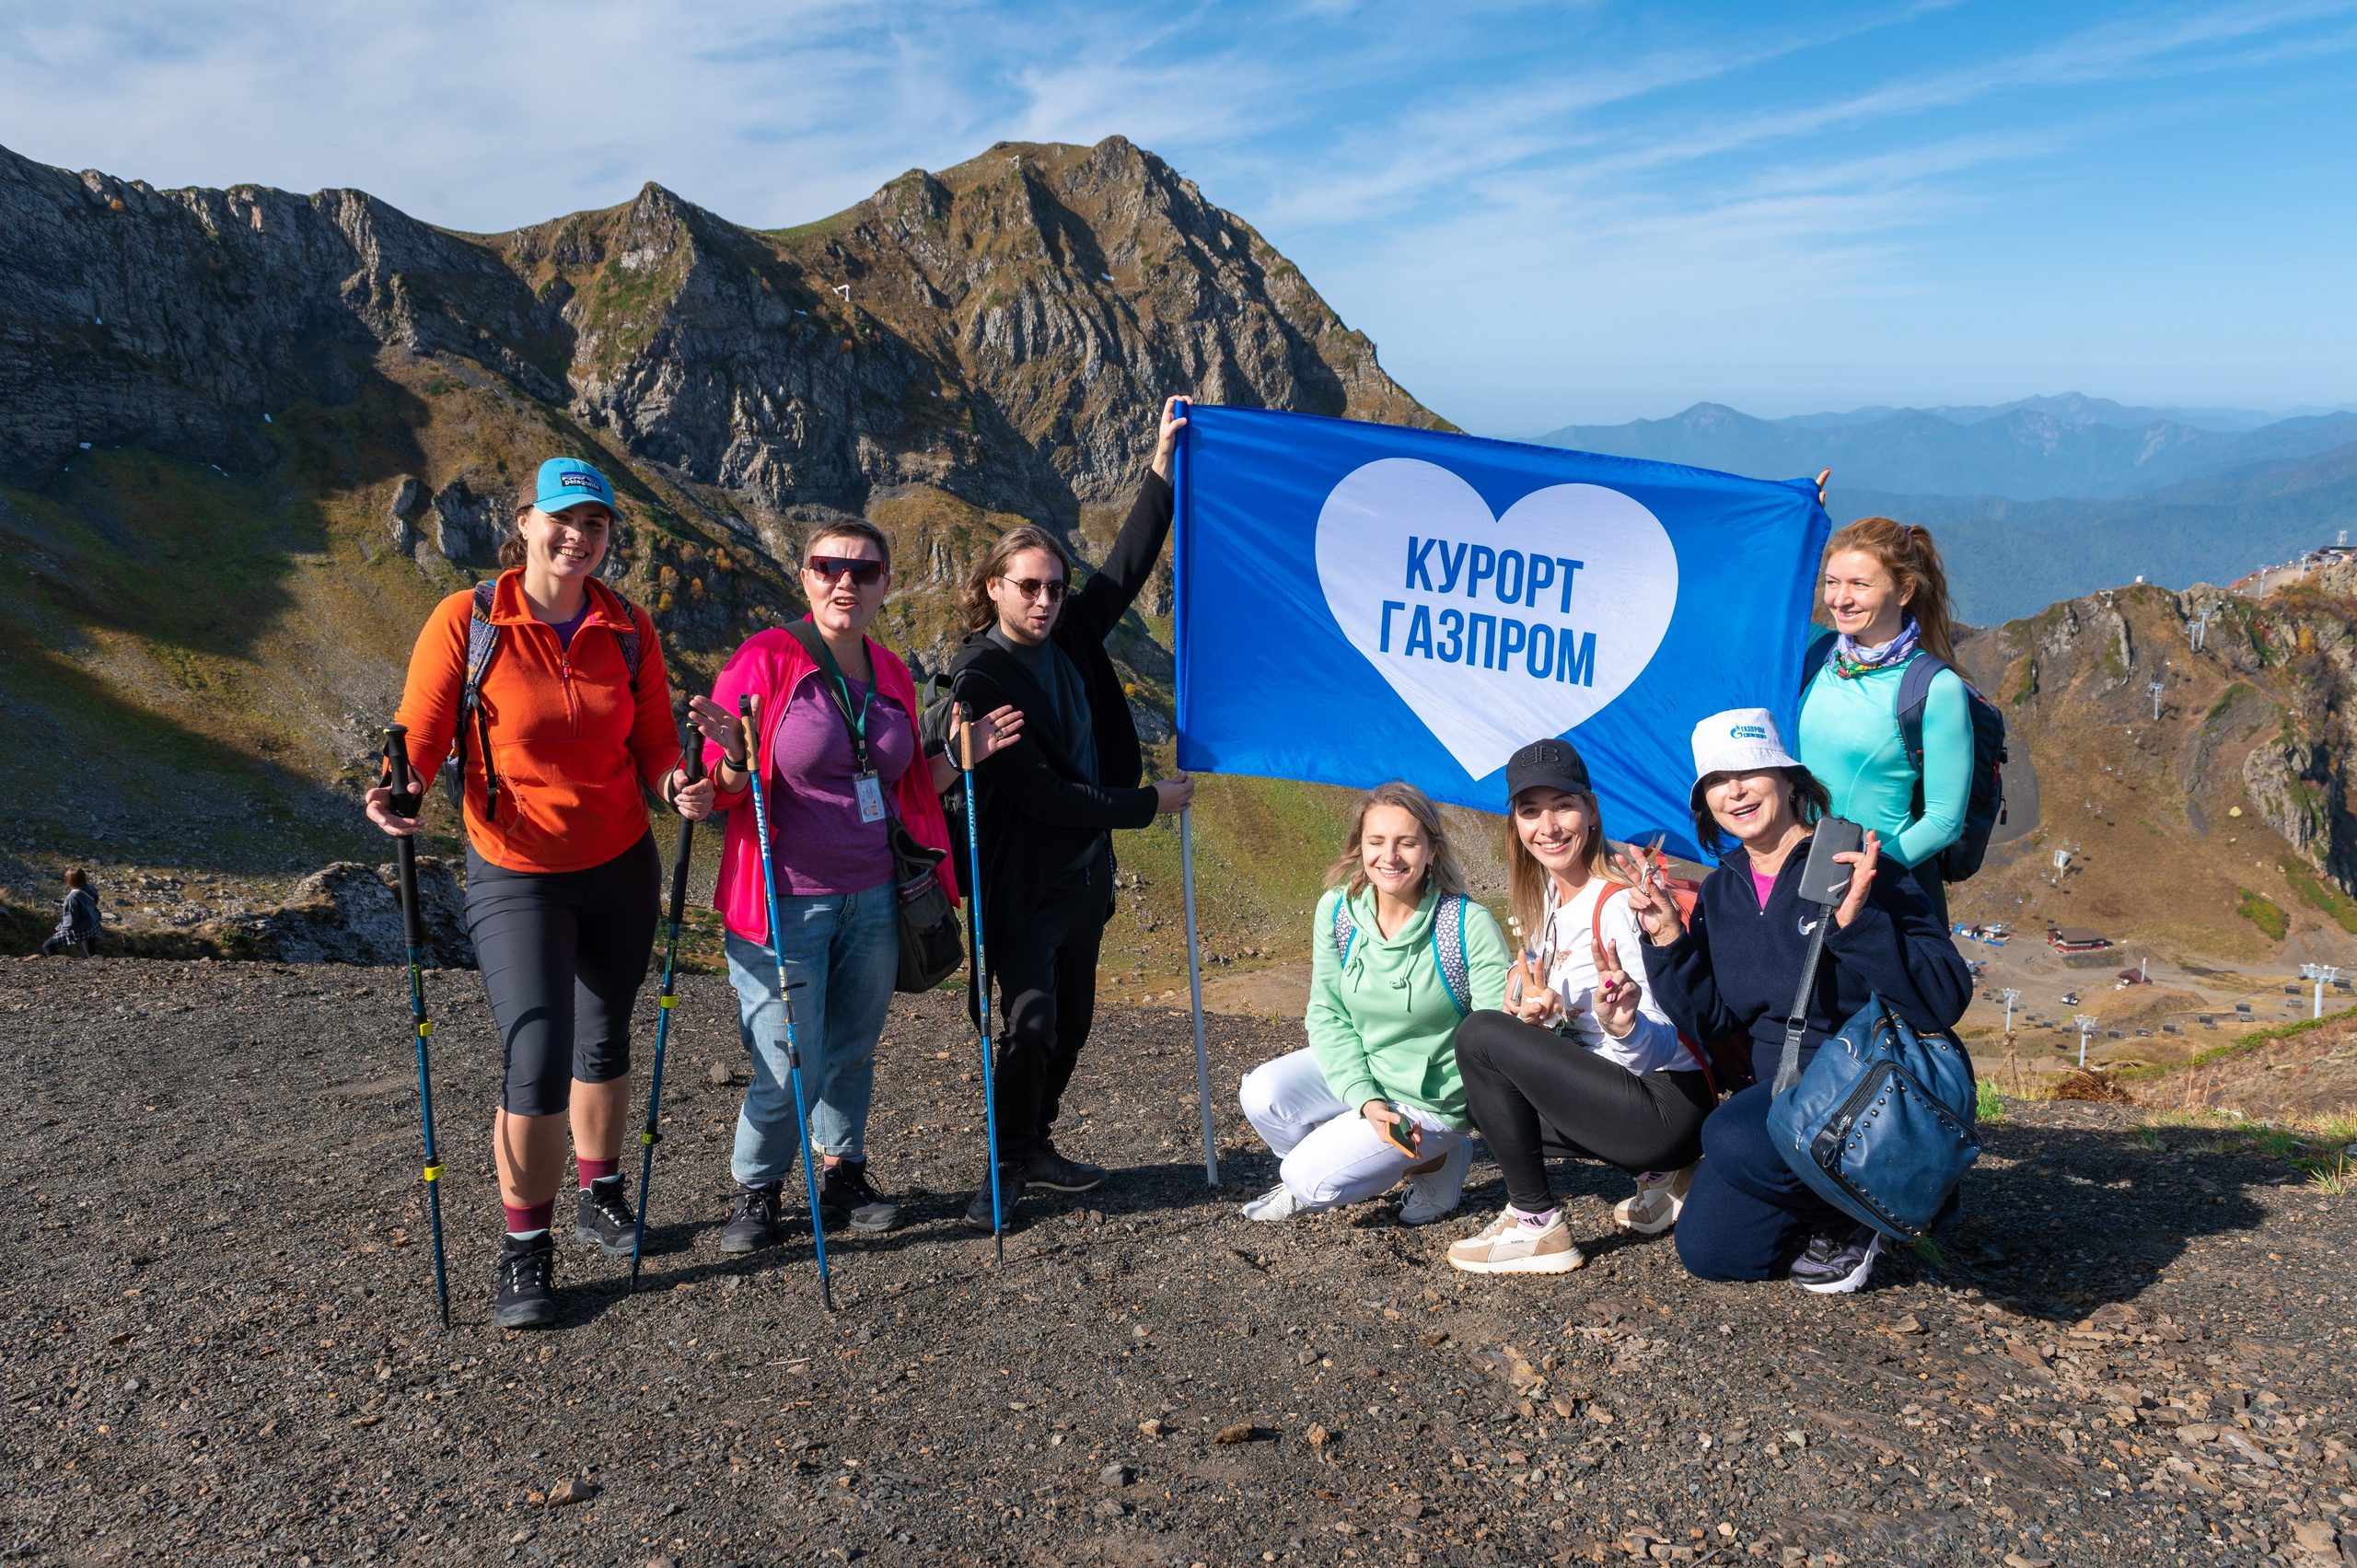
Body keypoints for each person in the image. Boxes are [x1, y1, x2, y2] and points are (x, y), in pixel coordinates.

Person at [367, 458, 704, 1330]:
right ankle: (526, 1251)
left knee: (603, 1033)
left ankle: (601, 1193)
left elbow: (659, 746)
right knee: (537, 1048)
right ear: (524, 523)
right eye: (562, 519)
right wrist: (398, 791)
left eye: (594, 524)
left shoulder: (628, 628)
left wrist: (679, 788)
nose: (578, 536)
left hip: (621, 859)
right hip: (515, 868)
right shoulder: (470, 619)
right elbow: (422, 735)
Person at [684, 522, 1024, 1250]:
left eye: (863, 570)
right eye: (828, 566)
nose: (846, 581)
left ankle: (842, 1170)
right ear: (805, 577)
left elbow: (905, 788)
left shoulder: (891, 671)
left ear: (884, 584)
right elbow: (719, 787)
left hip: (876, 894)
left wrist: (962, 759)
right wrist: (733, 762)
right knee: (787, 1056)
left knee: (852, 1045)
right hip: (784, 898)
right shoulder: (765, 660)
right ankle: (757, 1187)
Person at [948, 397, 1197, 1228]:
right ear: (995, 588)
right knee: (1029, 1019)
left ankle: (1034, 1141)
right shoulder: (981, 680)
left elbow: (1124, 567)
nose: (1047, 599)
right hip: (1021, 882)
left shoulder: (1072, 638)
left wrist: (1160, 467)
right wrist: (1146, 805)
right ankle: (1007, 1157)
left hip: (1083, 879)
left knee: (1074, 1019)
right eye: (1029, 586)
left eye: (1054, 586)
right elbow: (1044, 797)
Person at [1629, 709, 1969, 1294]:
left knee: (1730, 1136)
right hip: (1780, 1093)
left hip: (1868, 1089)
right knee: (1711, 1251)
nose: (1734, 791)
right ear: (1703, 801)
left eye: (1750, 771)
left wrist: (1861, 924)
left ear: (1789, 780)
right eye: (1715, 780)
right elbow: (1712, 1019)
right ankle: (1842, 1195)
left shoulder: (1856, 863)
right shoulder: (1722, 887)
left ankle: (1867, 1203)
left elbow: (1945, 995)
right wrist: (1667, 940)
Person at [1444, 740, 1715, 1275]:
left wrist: (1627, 1025)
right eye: (1530, 811)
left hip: (1667, 1100)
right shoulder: (1547, 896)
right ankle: (1664, 1179)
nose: (1548, 825)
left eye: (1562, 805)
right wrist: (1545, 1018)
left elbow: (1671, 1031)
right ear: (1515, 825)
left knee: (1479, 1036)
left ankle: (1535, 1225)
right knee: (1484, 1101)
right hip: (1634, 1099)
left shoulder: (1616, 903)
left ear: (1590, 810)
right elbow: (1578, 1028)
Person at [1237, 783, 1508, 1225]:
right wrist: (1364, 1100)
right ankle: (1348, 1159)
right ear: (1358, 847)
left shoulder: (1467, 924)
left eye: (1407, 842)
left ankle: (1436, 1158)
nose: (1391, 856)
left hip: (1429, 1101)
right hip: (1367, 1068)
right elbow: (1327, 1013)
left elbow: (1500, 1032)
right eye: (1376, 841)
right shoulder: (1337, 911)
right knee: (1262, 1095)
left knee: (1307, 1180)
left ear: (1431, 851)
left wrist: (1540, 1017)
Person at [1798, 517, 1971, 927]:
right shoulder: (1812, 651)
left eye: (1860, 584)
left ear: (1905, 590)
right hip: (1795, 878)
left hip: (1880, 898)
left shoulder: (1936, 688)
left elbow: (1944, 821)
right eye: (1832, 582)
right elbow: (1759, 598)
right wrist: (1797, 522)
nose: (1840, 599)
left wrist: (1862, 876)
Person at [40, 867, 101, 958]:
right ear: (84, 877)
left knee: (48, 946)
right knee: (91, 952)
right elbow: (92, 902)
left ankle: (59, 966)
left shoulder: (71, 898)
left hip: (79, 929)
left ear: (69, 880)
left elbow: (70, 921)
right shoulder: (90, 888)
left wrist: (59, 927)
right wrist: (68, 902)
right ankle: (98, 966)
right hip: (92, 924)